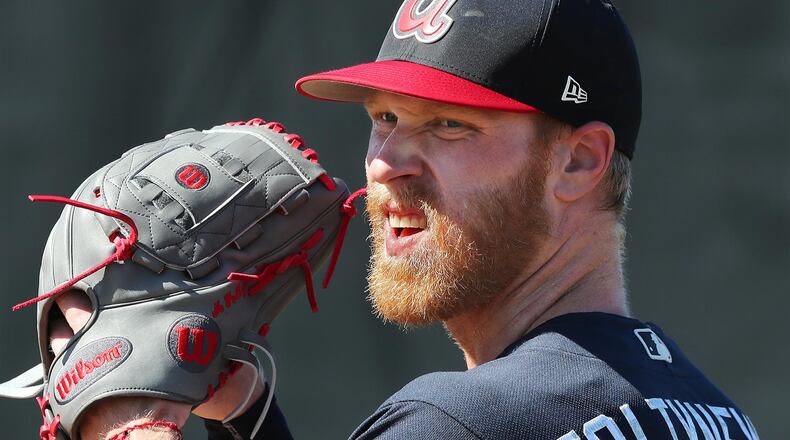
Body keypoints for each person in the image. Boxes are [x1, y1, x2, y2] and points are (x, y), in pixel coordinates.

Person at [49, 0, 760, 438]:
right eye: (384, 118)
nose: (388, 162)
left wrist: (127, 429)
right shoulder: (714, 414)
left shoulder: (455, 424)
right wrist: (248, 419)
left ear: (578, 162)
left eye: (449, 125)